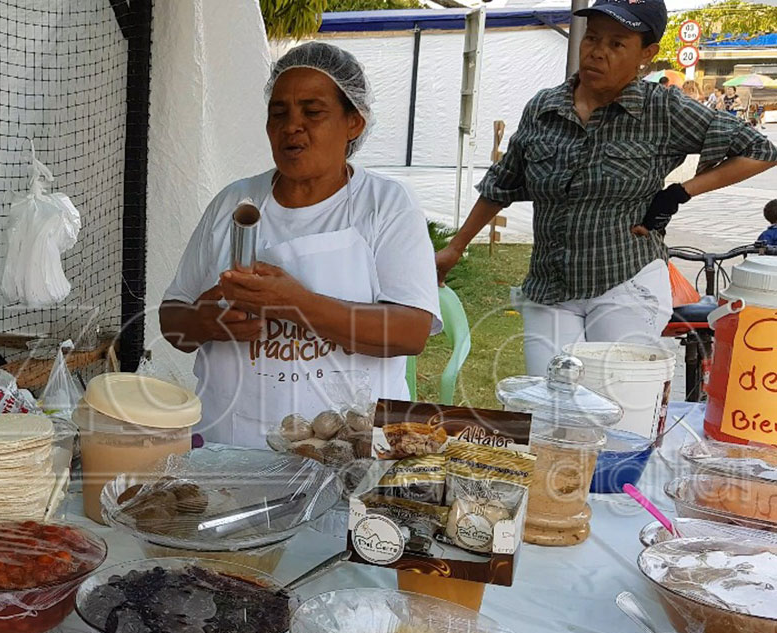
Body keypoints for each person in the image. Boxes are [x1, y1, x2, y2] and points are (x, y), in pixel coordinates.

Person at [435, 0, 777, 376]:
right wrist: (455, 248)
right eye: (592, 38)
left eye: (616, 44)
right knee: (549, 400)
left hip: (625, 281)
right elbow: (502, 183)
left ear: (646, 54)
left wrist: (680, 192)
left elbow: (760, 151)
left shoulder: (662, 109)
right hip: (550, 286)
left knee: (617, 400)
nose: (598, 52)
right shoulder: (545, 108)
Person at [160, 42, 440, 447]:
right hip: (232, 445)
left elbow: (410, 332)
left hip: (346, 450)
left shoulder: (385, 204)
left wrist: (295, 304)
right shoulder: (233, 203)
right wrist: (204, 323)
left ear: (354, 122)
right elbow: (172, 319)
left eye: (313, 112)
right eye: (279, 113)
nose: (292, 126)